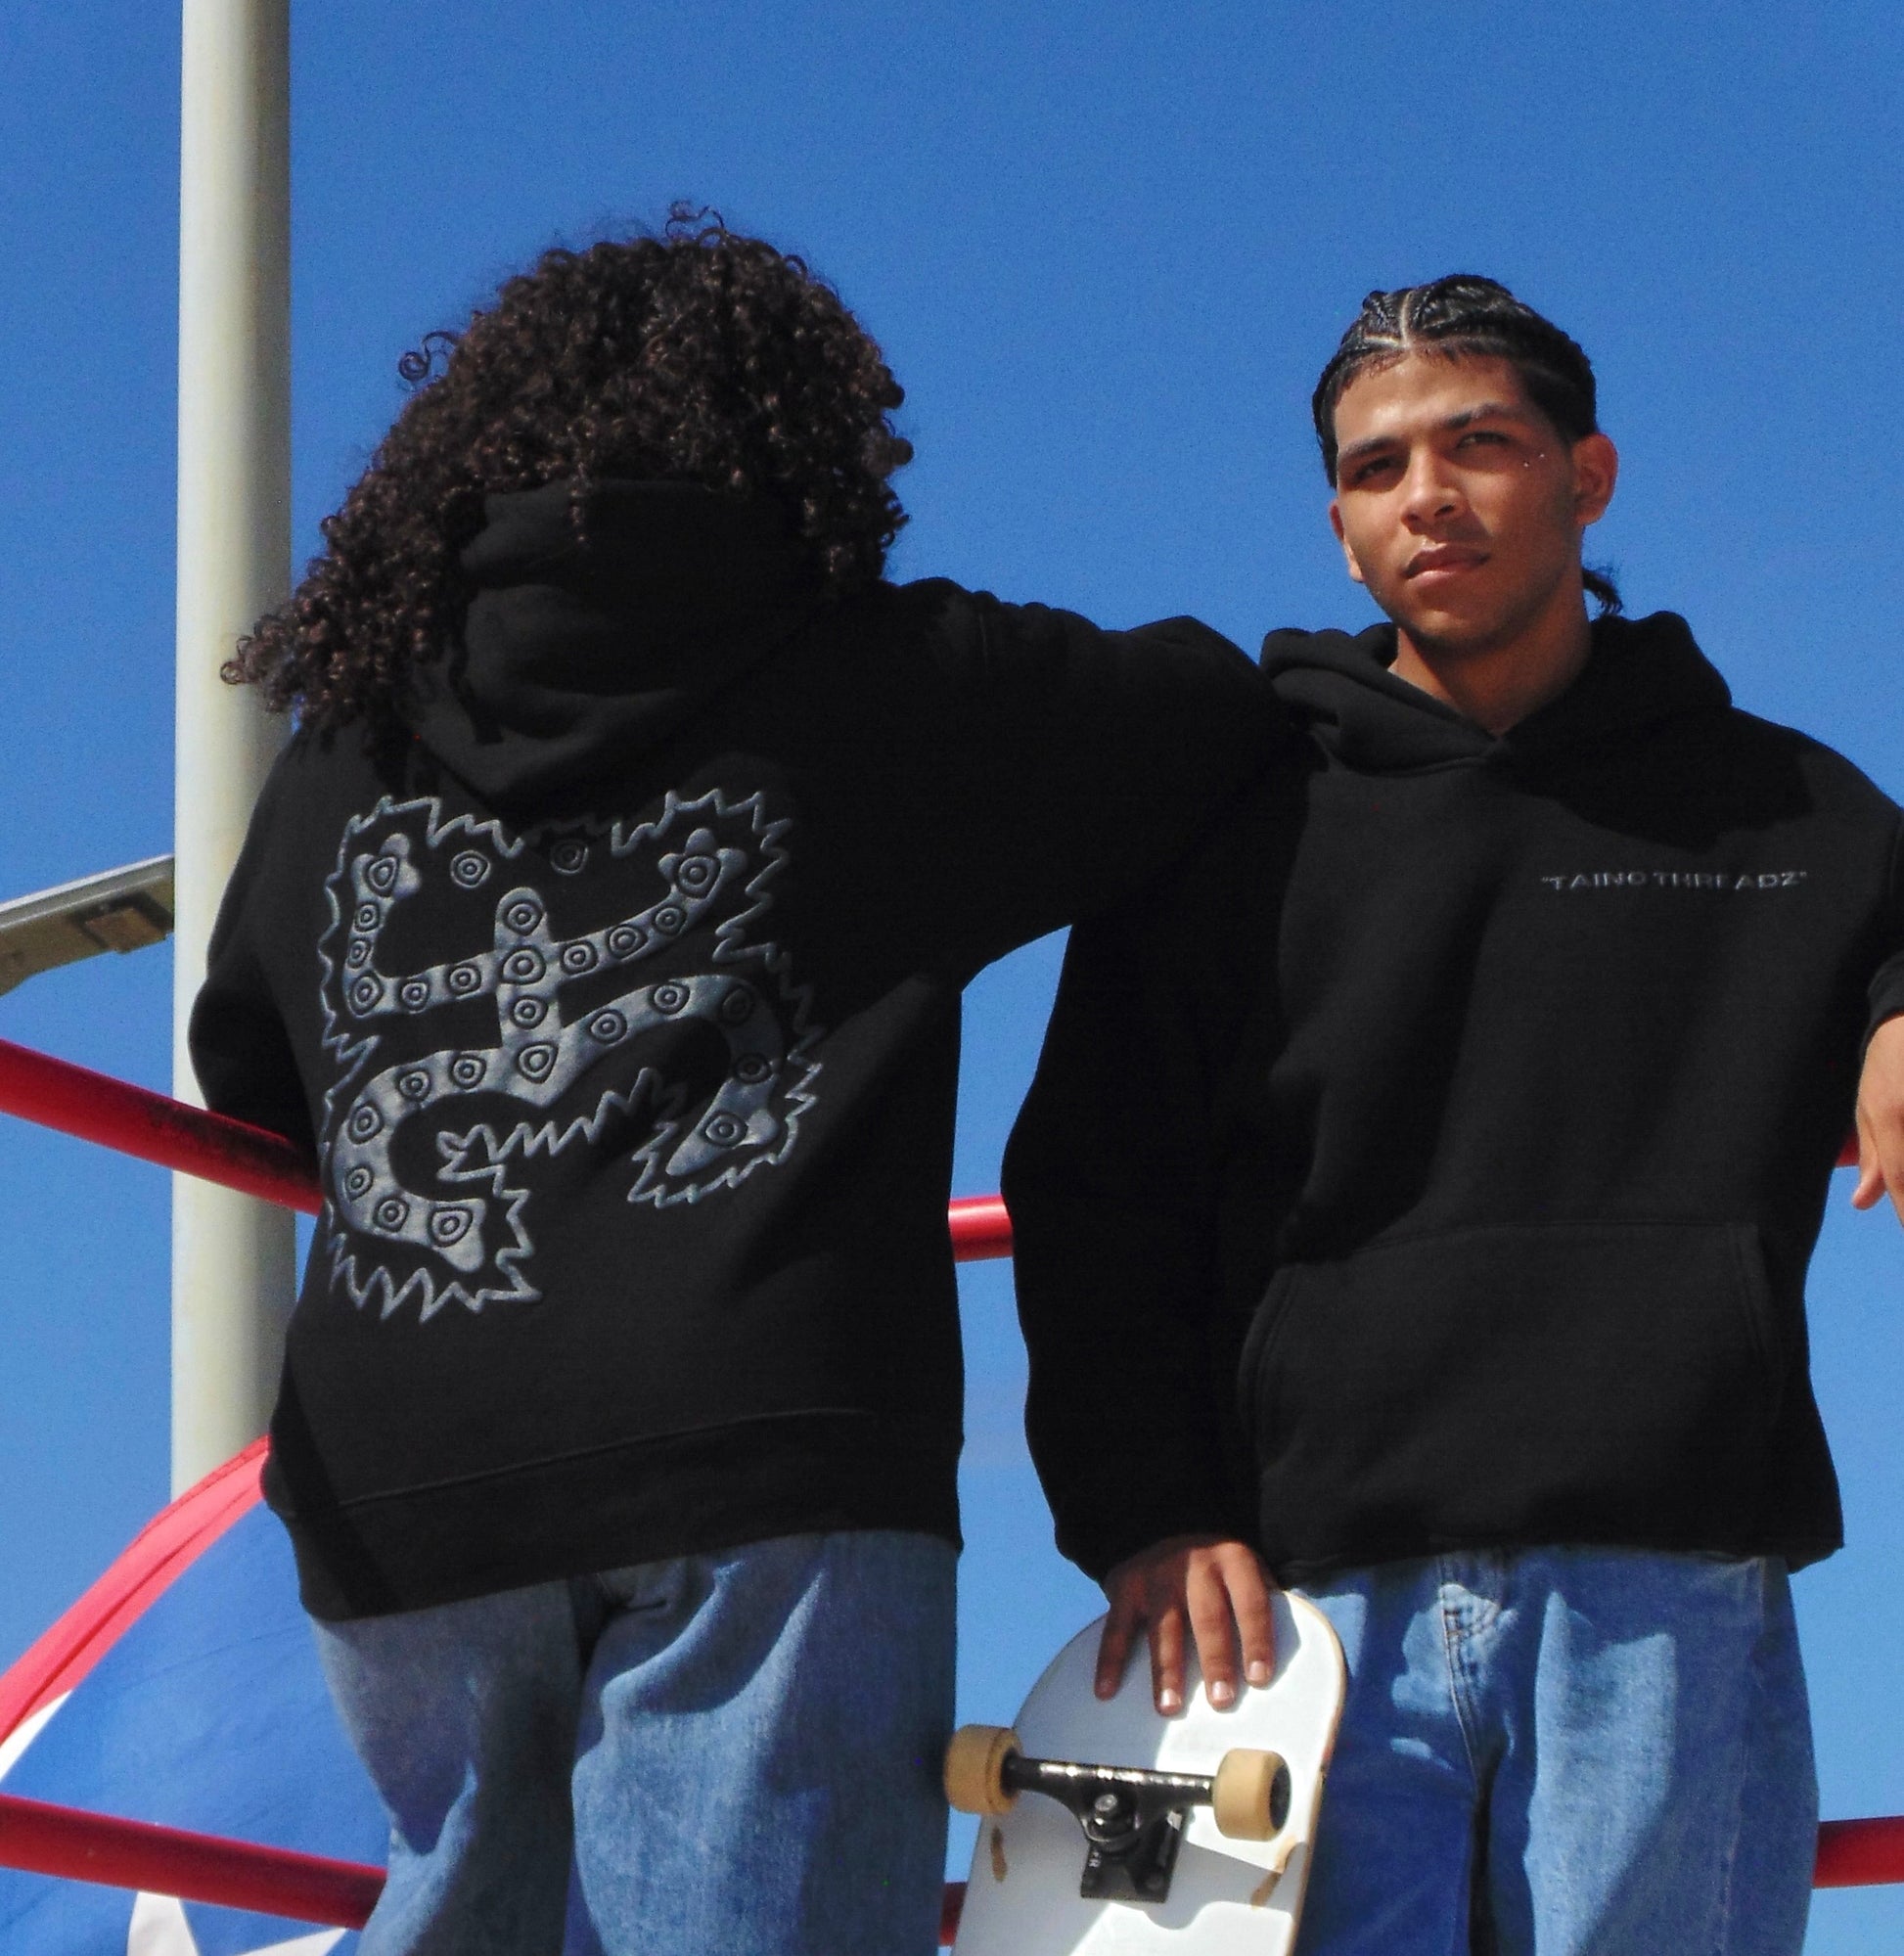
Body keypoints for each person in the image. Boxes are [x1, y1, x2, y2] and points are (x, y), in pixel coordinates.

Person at [189, 210, 1284, 1956]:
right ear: (806, 438)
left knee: (452, 1910)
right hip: (760, 1432)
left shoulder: (352, 735)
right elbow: (1210, 715)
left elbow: (245, 1055)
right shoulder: (888, 682)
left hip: (400, 1447)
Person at [1003, 274, 1904, 1955]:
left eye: (1477, 443)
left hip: (1665, 1582)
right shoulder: (1227, 827)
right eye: (1375, 467)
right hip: (1297, 1615)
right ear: (1340, 532)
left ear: (1585, 474)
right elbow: (1094, 1187)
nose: (1425, 495)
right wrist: (1142, 1509)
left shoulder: (1785, 806)